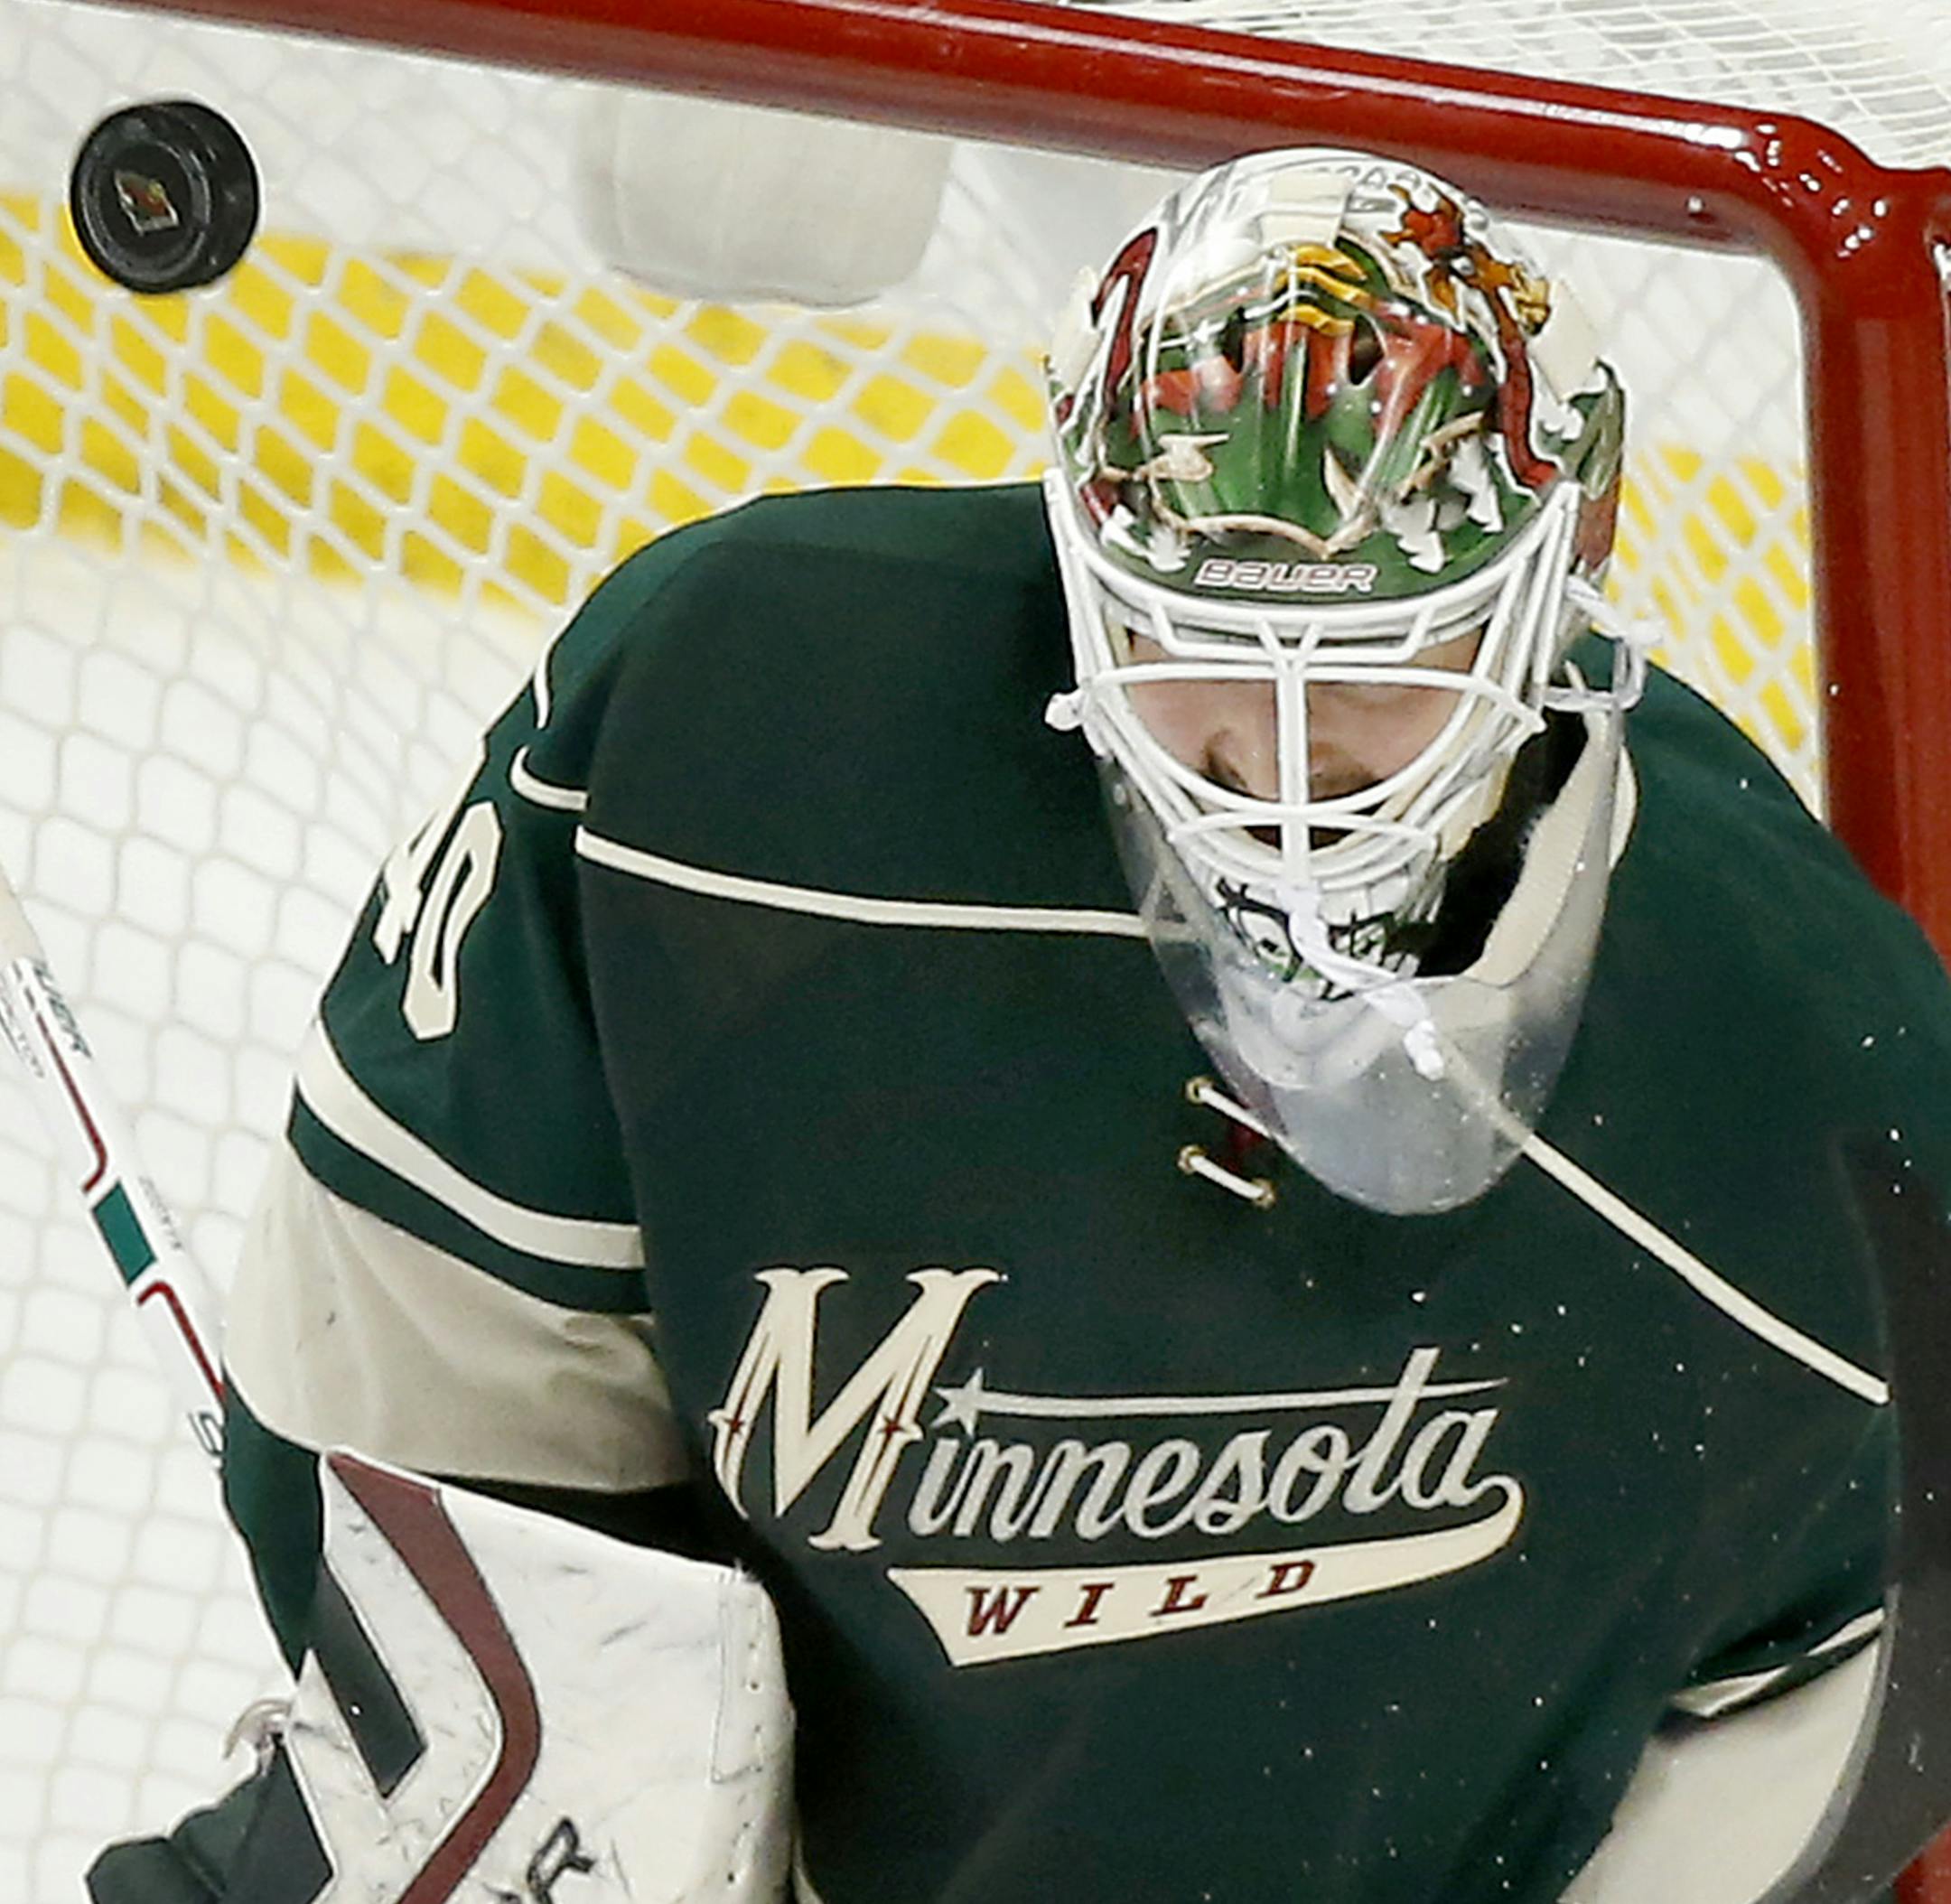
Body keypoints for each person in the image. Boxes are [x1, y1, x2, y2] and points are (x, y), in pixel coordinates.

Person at [89, 145, 1947, 1904]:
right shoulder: (736, 749)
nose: (1275, 761)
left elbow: (1863, 1671)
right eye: (1190, 636)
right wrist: (538, 1745)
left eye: (1385, 655)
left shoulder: (1806, 1064)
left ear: (1560, 584)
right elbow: (436, 1311)